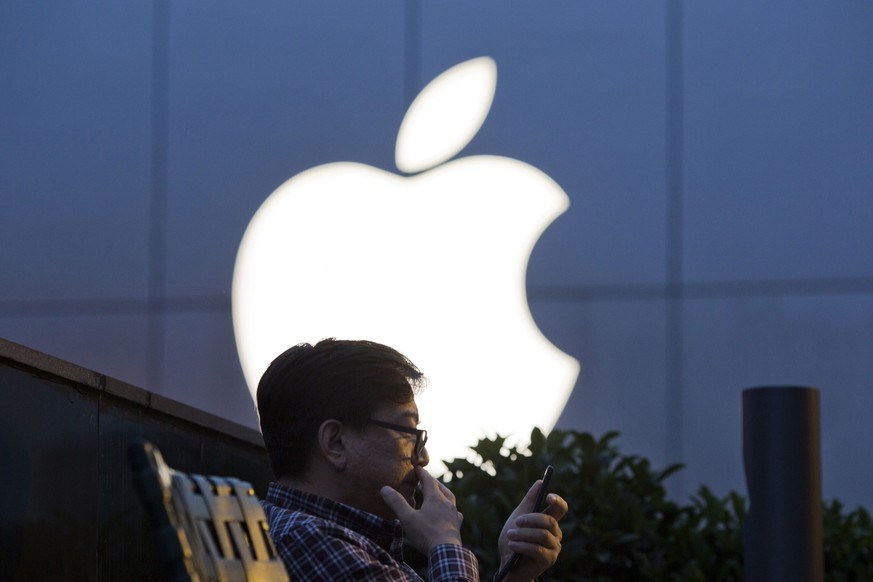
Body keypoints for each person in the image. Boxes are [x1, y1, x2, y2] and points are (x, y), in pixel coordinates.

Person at [257, 338, 567, 581]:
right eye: (408, 433)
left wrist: (513, 575)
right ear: (336, 443)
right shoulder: (311, 540)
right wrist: (444, 542)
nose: (423, 458)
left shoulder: (335, 538)